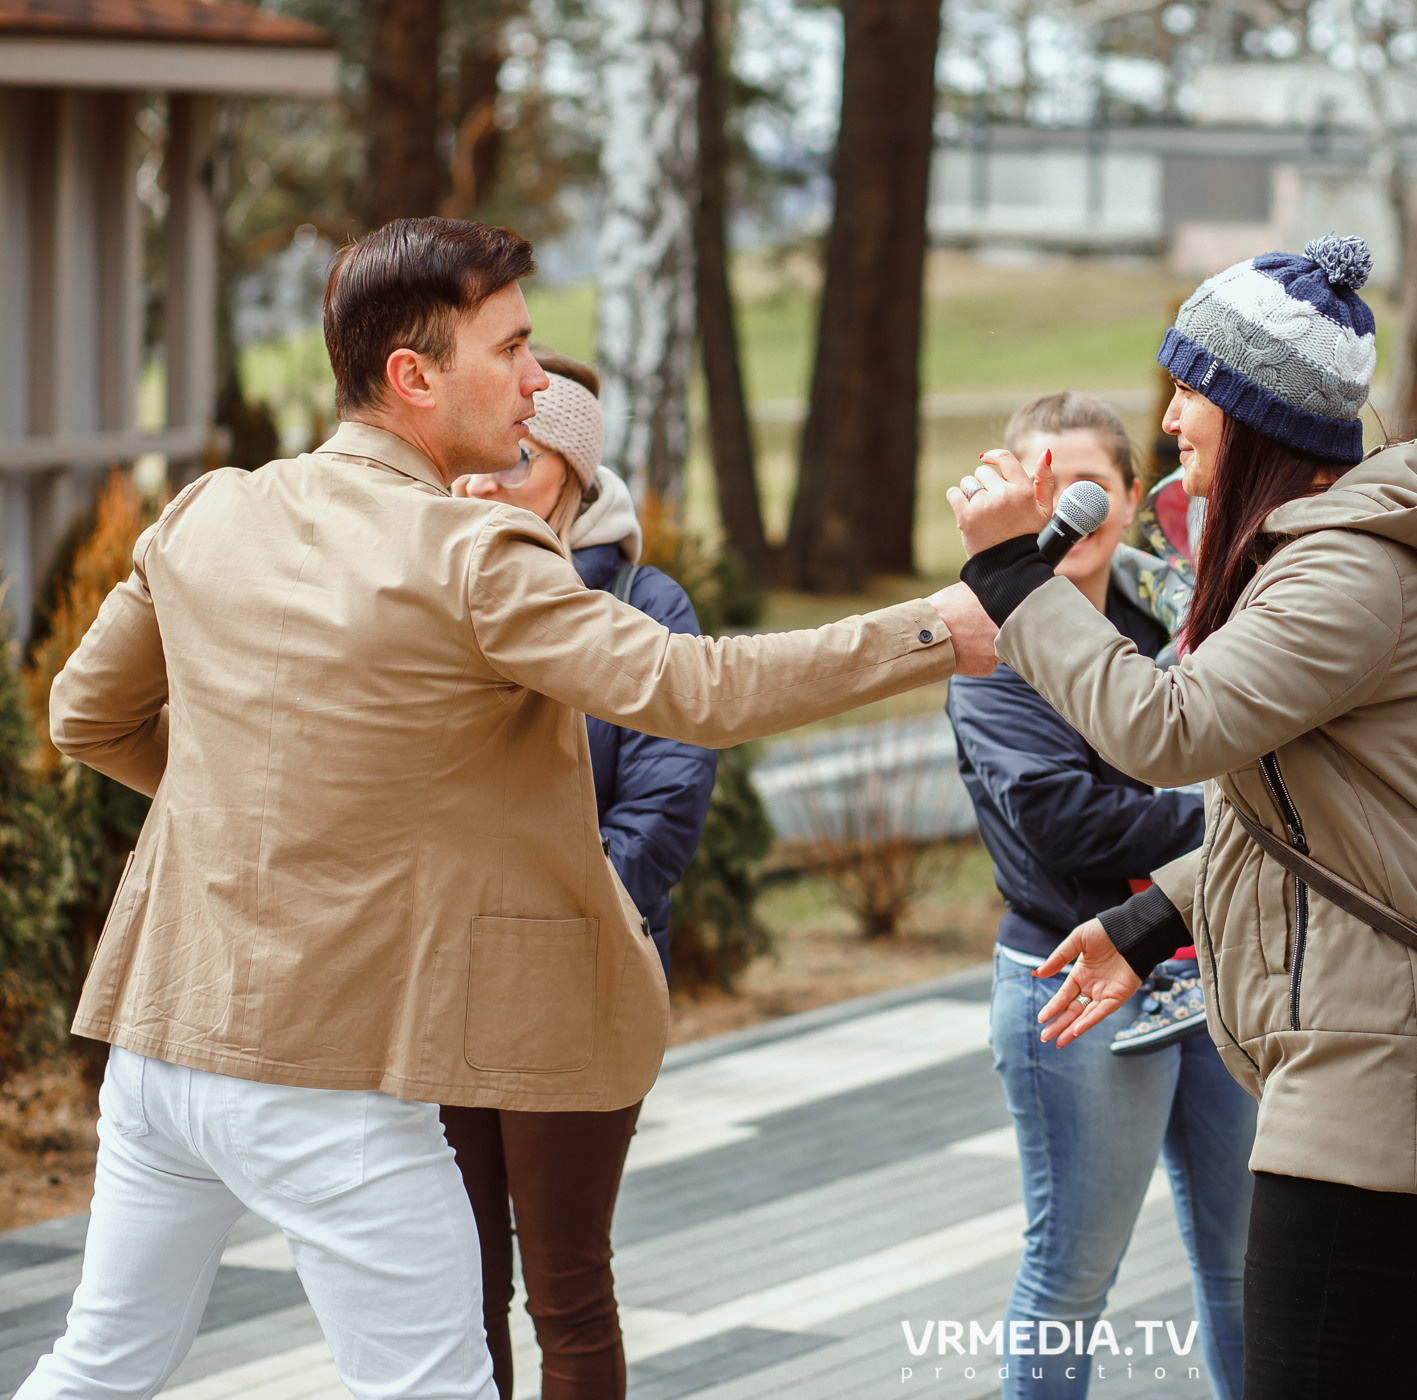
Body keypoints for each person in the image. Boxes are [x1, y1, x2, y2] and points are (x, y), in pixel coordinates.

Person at [25, 217, 995, 1400]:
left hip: (163, 1043)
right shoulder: (475, 549)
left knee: (100, 1364)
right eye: (515, 348)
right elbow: (694, 688)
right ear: (412, 376)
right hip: (334, 1074)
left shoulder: (207, 508)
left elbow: (88, 715)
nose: (541, 381)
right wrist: (936, 628)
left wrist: (270, 807)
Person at [947, 235, 1417, 1400]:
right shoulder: (1330, 556)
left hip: (1382, 1072)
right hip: (1384, 1057)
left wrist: (1013, 579)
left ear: (1260, 413)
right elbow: (1317, 819)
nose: (1170, 417)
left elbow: (1168, 729)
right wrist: (1153, 920)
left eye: (1195, 390)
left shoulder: (1345, 574)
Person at [947, 392, 1251, 1400]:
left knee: (1249, 1272)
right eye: (1043, 486)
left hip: (1208, 974)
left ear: (1131, 495)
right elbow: (1063, 822)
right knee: (1074, 1278)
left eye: (1092, 486)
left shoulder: (1185, 608)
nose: (1068, 507)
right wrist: (1232, 817)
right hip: (1071, 987)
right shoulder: (988, 643)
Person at [443, 348, 715, 1399]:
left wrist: (538, 923)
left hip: (574, 988)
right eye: (481, 451)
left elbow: (659, 816)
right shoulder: (430, 585)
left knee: (565, 1288)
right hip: (440, 994)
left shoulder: (644, 608)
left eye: (520, 453)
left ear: (572, 469)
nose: (488, 473)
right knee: (452, 1289)